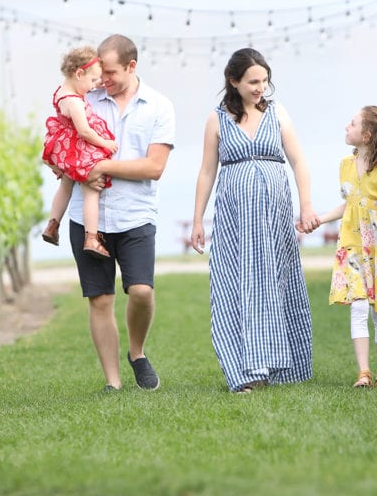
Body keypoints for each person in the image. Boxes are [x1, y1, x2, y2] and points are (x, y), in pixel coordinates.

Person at [190, 48, 318, 393]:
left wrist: (306, 206)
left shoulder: (277, 113)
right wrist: (198, 220)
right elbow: (206, 172)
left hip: (275, 218)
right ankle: (243, 372)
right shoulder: (217, 119)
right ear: (234, 81)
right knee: (234, 286)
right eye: (253, 81)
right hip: (234, 220)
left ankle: (281, 367)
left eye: (264, 80)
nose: (261, 87)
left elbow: (299, 162)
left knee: (277, 283)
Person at [66, 34, 175, 392]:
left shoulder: (159, 106)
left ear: (132, 66)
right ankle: (113, 383)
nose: (102, 79)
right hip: (88, 216)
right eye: (99, 71)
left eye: (110, 72)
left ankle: (137, 352)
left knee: (141, 290)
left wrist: (101, 166)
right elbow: (64, 146)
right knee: (100, 299)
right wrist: (65, 162)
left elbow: (154, 167)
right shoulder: (84, 99)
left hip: (136, 215)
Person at [308, 106, 377, 388]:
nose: (347, 126)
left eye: (353, 123)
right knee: (357, 307)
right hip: (352, 246)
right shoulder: (345, 165)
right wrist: (320, 219)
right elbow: (350, 204)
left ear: (367, 135)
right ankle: (363, 373)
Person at [41, 46, 119, 259]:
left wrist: (95, 82)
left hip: (64, 148)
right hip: (78, 150)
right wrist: (104, 142)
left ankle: (52, 225)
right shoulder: (75, 102)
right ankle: (92, 237)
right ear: (79, 74)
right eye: (93, 81)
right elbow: (84, 131)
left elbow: (83, 89)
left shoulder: (62, 91)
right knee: (91, 192)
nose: (95, 85)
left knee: (65, 187)